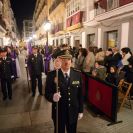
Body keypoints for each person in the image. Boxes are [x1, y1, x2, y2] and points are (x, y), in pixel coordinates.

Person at [45, 49, 83, 133]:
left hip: (73, 111)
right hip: (59, 112)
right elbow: (47, 93)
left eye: (69, 59)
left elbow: (80, 94)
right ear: (59, 60)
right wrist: (52, 97)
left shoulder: (77, 74)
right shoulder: (52, 75)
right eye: (64, 59)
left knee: (72, 131)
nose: (67, 62)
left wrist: (81, 110)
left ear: (71, 60)